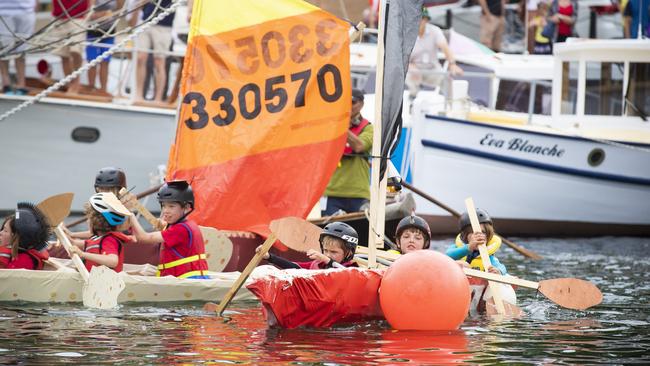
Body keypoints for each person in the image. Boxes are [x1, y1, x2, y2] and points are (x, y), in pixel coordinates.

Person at [128, 180, 209, 278]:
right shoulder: (183, 225)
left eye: (171, 206)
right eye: (164, 206)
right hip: (184, 280)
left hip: (188, 282)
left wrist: (130, 216)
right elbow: (166, 228)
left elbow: (143, 238)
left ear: (187, 207)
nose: (166, 211)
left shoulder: (180, 229)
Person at [322, 89, 373, 216]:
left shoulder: (369, 128)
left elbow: (359, 146)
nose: (349, 106)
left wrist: (340, 125)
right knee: (330, 233)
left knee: (360, 233)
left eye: (352, 102)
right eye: (346, 102)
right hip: (333, 192)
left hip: (358, 193)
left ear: (361, 104)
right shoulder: (330, 127)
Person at [406, 8, 463, 98]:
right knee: (407, 76)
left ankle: (451, 103)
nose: (418, 21)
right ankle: (411, 100)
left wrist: (452, 64)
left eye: (421, 18)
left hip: (432, 69)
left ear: (426, 20)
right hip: (413, 69)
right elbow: (401, 57)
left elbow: (445, 48)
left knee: (446, 79)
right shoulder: (406, 33)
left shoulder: (435, 31)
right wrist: (410, 66)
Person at [69, 192, 132, 272]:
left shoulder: (109, 240)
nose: (87, 221)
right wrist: (63, 232)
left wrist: (82, 254)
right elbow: (73, 243)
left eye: (89, 219)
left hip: (107, 283)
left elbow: (113, 261)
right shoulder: (95, 239)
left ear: (96, 221)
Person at [258, 222, 359, 269]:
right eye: (326, 250)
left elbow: (344, 272)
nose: (327, 255)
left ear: (348, 253)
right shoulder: (319, 265)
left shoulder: (351, 269)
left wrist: (325, 259)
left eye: (333, 252)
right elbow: (295, 266)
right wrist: (270, 257)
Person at [129, 0, 175, 102]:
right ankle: (138, 95)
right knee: (141, 58)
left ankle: (158, 98)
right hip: (146, 22)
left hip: (164, 26)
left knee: (159, 62)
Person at [66, 166, 128, 240]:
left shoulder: (123, 210)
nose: (103, 192)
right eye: (101, 189)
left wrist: (74, 239)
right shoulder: (98, 206)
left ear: (119, 190)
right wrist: (72, 234)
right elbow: (94, 233)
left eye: (108, 190)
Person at [445, 208, 508, 275]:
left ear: (488, 235)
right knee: (462, 264)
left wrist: (499, 271)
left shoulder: (489, 257)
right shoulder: (457, 247)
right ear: (465, 235)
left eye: (483, 232)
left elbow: (501, 267)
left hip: (478, 283)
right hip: (459, 279)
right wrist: (469, 247)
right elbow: (448, 256)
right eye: (473, 232)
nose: (479, 236)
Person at [51, 0, 89, 94]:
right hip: (59, 17)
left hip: (79, 17)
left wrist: (90, 9)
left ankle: (76, 83)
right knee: (63, 54)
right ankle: (70, 83)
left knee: (75, 51)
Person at [86, 0, 124, 92]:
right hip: (93, 32)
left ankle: (103, 89)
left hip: (109, 32)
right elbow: (90, 14)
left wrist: (107, 14)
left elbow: (120, 11)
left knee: (105, 62)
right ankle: (91, 88)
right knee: (92, 61)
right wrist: (105, 14)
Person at [0, 0, 36, 95]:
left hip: (26, 10)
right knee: (4, 49)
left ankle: (21, 84)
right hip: (3, 11)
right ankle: (6, 84)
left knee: (22, 50)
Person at [2, 203, 51, 270]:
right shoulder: (18, 256)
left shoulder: (23, 261)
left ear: (16, 237)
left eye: (5, 230)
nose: (0, 233)